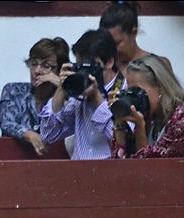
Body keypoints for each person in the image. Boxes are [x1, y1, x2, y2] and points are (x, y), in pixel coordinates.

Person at [39, 29, 124, 160]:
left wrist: (96, 97)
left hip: (110, 174)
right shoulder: (80, 94)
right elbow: (49, 134)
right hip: (79, 174)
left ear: (109, 62)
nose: (86, 73)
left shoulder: (124, 90)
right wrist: (63, 87)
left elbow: (121, 144)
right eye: (81, 66)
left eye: (90, 66)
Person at [111, 55, 184, 159]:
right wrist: (119, 123)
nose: (133, 97)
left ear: (161, 87)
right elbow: (121, 161)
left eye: (137, 91)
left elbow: (150, 168)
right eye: (130, 91)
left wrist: (140, 130)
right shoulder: (151, 117)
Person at [0, 37, 70, 156]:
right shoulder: (13, 90)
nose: (37, 71)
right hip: (14, 161)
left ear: (59, 70)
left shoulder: (68, 97)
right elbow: (6, 122)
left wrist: (63, 86)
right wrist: (29, 134)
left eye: (46, 66)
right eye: (33, 64)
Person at [99, 1, 173, 77]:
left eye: (117, 43)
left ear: (133, 33)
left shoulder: (159, 66)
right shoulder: (103, 68)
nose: (112, 49)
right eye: (108, 44)